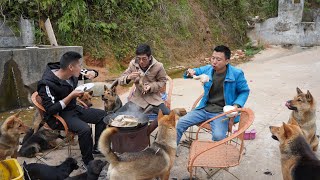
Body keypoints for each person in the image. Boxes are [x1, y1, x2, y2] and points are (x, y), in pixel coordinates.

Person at [37, 51, 107, 165]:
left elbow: (91, 72)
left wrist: (93, 72)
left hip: (73, 108)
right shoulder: (47, 84)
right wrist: (71, 96)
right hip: (59, 115)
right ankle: (88, 161)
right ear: (70, 67)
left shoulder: (71, 72)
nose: (81, 68)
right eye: (79, 65)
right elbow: (51, 109)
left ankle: (97, 147)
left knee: (103, 115)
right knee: (85, 129)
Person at [176, 45, 250, 145]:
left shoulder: (236, 74)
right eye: (213, 58)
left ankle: (217, 156)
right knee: (180, 123)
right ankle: (171, 150)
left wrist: (236, 106)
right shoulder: (208, 69)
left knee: (219, 136)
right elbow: (191, 73)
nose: (214, 62)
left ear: (227, 61)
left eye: (218, 59)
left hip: (221, 112)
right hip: (204, 108)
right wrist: (189, 72)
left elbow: (244, 91)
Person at [116, 44, 170, 115]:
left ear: (149, 57)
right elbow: (120, 80)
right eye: (138, 58)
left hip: (154, 99)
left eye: (144, 59)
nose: (141, 61)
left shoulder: (158, 66)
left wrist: (151, 86)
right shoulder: (133, 64)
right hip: (137, 99)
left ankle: (152, 126)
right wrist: (129, 77)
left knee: (168, 115)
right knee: (117, 115)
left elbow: (162, 81)